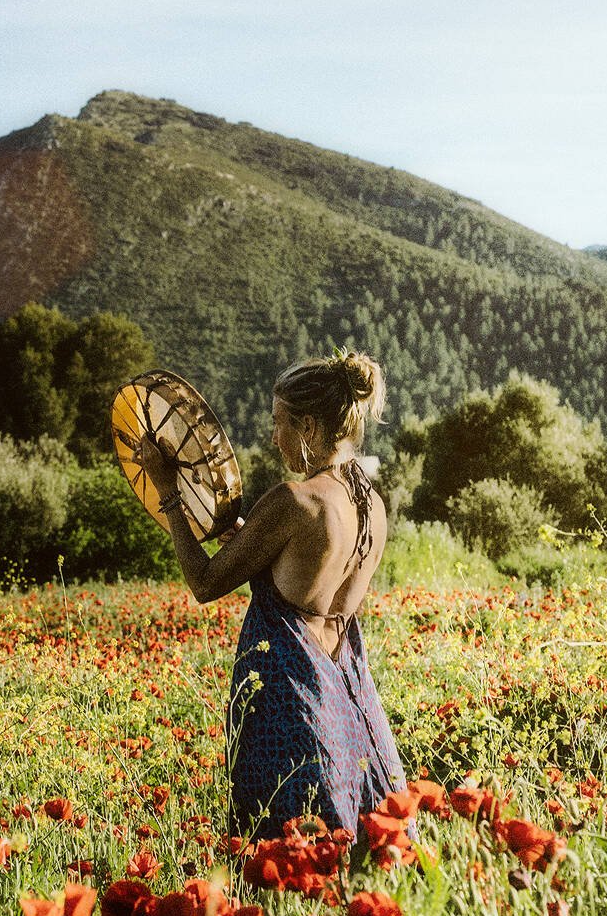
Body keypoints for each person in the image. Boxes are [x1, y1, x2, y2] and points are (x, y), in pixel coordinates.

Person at [134, 352, 406, 839]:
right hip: (350, 700)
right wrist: (252, 540)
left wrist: (169, 493)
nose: (273, 435)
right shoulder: (373, 505)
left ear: (306, 426)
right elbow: (310, 574)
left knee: (285, 861)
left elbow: (204, 583)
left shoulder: (295, 500)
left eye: (279, 422)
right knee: (355, 854)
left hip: (288, 704)